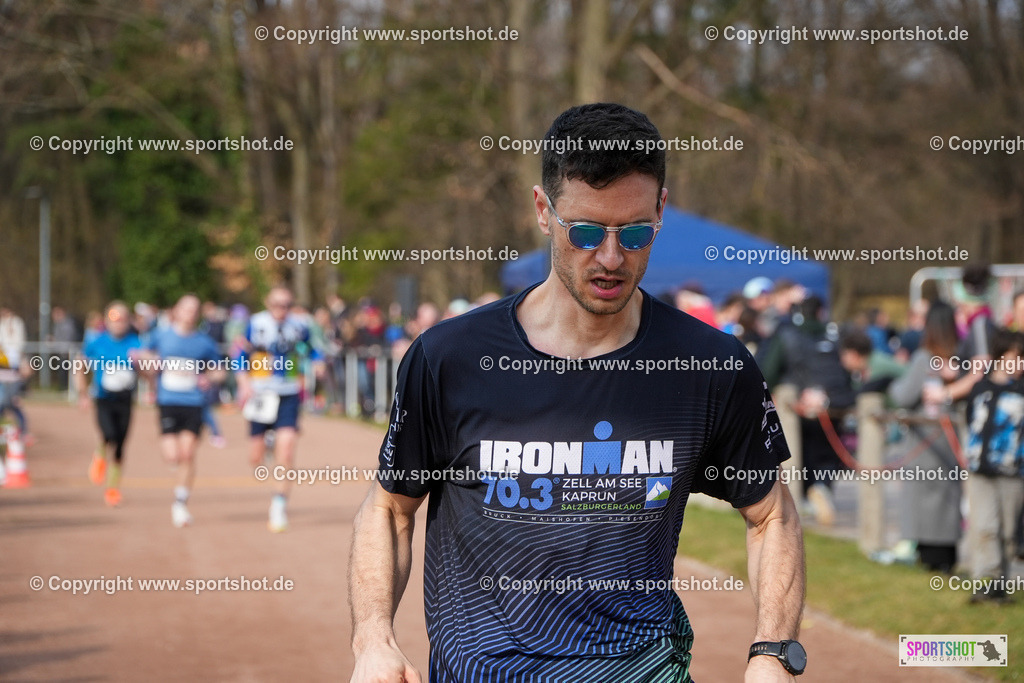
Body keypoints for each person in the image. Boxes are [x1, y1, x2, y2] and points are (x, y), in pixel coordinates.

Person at [349, 103, 806, 682]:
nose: (611, 257)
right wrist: (372, 639)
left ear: (661, 211)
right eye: (586, 231)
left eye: (635, 232)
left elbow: (771, 516)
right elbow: (390, 508)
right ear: (544, 211)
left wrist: (774, 655)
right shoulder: (450, 358)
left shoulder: (709, 365)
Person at [888, 301, 975, 573]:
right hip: (951, 440)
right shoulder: (960, 357)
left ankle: (931, 559)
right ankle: (947, 558)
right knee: (948, 499)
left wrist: (893, 383)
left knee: (924, 501)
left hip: (925, 441)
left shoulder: (924, 357)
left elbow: (903, 395)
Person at [758, 296, 856, 526]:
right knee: (826, 457)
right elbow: (850, 373)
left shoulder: (787, 333)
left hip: (800, 407)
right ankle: (821, 490)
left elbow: (767, 372)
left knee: (801, 455)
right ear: (821, 311)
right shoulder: (837, 334)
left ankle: (805, 500)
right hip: (834, 407)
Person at [235, 285, 318, 533]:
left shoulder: (299, 325)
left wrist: (319, 361)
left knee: (288, 448)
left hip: (288, 392)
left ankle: (279, 505)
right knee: (256, 458)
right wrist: (243, 382)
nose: (282, 310)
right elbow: (239, 352)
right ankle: (267, 442)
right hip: (260, 392)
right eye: (277, 305)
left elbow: (310, 348)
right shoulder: (254, 323)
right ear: (267, 303)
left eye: (286, 305)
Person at [140, 294, 224, 527]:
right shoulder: (161, 335)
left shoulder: (204, 342)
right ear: (176, 310)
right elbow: (143, 353)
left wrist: (210, 377)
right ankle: (178, 480)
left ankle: (180, 502)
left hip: (194, 403)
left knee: (187, 454)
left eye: (194, 309)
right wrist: (150, 363)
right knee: (172, 455)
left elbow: (219, 370)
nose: (190, 313)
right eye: (186, 308)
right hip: (168, 401)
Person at [963, 328, 1024, 603]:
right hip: (979, 471)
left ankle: (1005, 585)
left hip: (1012, 473)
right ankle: (985, 583)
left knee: (1009, 531)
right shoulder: (980, 388)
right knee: (984, 527)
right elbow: (969, 420)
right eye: (1016, 357)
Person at [78, 301, 142, 507]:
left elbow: (147, 369)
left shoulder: (136, 343)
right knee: (109, 434)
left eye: (123, 319)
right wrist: (83, 394)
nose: (119, 323)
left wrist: (145, 367)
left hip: (126, 400)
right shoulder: (97, 342)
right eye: (114, 318)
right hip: (104, 398)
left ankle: (112, 488)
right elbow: (80, 366)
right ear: (106, 321)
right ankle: (99, 455)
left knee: (121, 446)